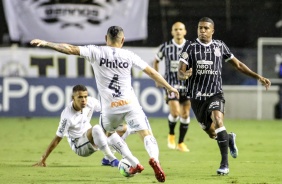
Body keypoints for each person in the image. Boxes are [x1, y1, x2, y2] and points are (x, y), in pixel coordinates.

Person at [30, 26, 180, 182]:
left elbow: (69, 49)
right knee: (145, 133)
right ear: (122, 40)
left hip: (110, 108)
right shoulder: (128, 55)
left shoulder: (96, 51)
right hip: (130, 103)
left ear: (105, 39)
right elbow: (152, 72)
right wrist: (169, 87)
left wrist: (47, 43)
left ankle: (133, 162)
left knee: (106, 135)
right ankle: (154, 158)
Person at [177, 17, 271, 175]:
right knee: (211, 132)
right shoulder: (189, 48)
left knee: (218, 120)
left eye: (206, 28)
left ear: (212, 30)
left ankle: (224, 165)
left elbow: (239, 65)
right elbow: (180, 71)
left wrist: (258, 77)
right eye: (200, 28)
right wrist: (185, 74)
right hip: (196, 97)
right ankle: (229, 138)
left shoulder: (220, 46)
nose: (202, 31)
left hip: (215, 94)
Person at [33, 85, 119, 167]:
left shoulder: (90, 102)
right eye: (80, 97)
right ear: (73, 98)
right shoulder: (67, 116)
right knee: (96, 128)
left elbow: (107, 109)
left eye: (85, 96)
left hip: (92, 137)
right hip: (79, 146)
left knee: (122, 128)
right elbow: (57, 138)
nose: (84, 100)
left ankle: (107, 159)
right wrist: (43, 158)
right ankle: (113, 159)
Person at [153, 22, 191, 152]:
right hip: (171, 85)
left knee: (185, 115)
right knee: (175, 113)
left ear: (185, 31)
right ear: (172, 32)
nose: (178, 31)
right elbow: (156, 60)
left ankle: (181, 143)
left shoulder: (190, 47)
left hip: (187, 86)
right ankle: (171, 135)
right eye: (176, 29)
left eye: (181, 29)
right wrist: (157, 78)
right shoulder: (166, 47)